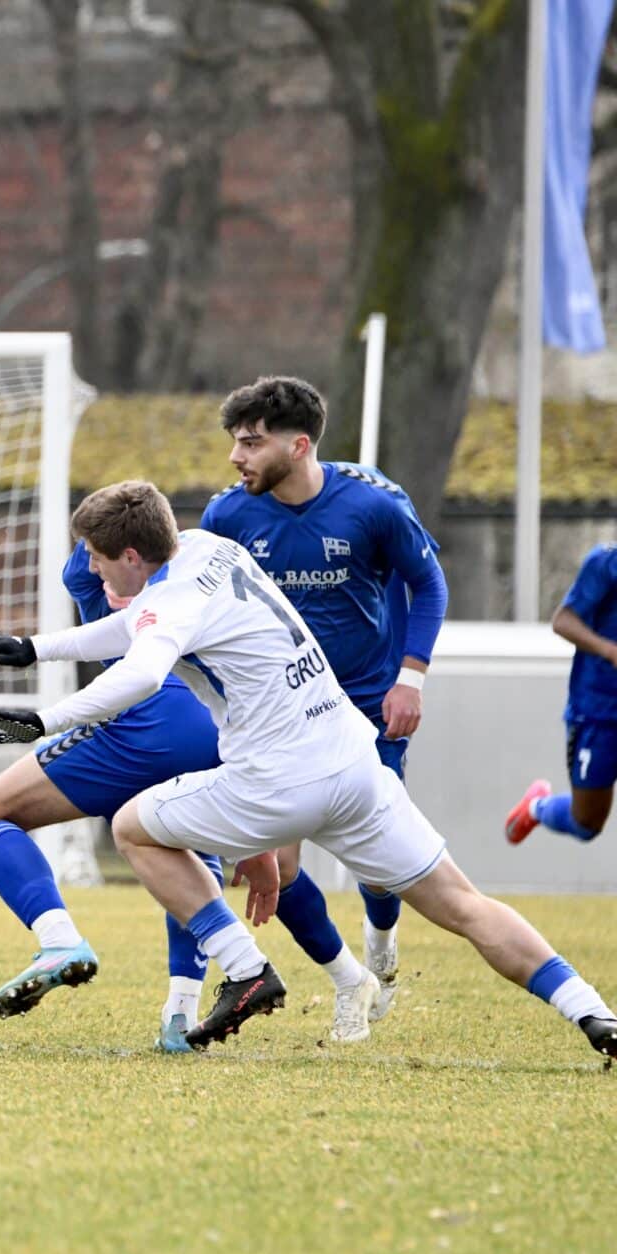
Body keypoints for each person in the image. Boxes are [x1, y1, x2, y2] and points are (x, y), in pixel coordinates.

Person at [0, 480, 617, 1059]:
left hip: (277, 781)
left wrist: (45, 722)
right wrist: (33, 648)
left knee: (135, 827)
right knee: (466, 906)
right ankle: (590, 1007)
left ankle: (246, 967)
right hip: (353, 762)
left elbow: (143, 667)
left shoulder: (163, 604)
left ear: (133, 554)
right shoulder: (211, 549)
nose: (96, 578)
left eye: (100, 563)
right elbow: (137, 620)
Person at [0, 540, 381, 1052]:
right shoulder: (194, 547)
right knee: (191, 852)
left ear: (126, 552)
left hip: (150, 719)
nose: (97, 567)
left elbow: (128, 648)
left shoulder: (101, 560)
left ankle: (58, 941)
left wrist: (44, 703)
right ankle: (193, 1013)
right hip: (220, 724)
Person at [199, 376, 447, 1021]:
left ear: (299, 444)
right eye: (235, 442)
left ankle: (382, 943)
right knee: (273, 868)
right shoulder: (227, 516)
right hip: (281, 712)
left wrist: (410, 678)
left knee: (382, 866)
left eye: (250, 442)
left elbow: (429, 584)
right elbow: (210, 607)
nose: (236, 457)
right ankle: (348, 979)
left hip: (368, 703)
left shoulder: (373, 504)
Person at [505, 542, 617, 845]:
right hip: (599, 711)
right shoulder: (606, 561)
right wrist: (609, 650)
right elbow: (563, 621)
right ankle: (537, 807)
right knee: (587, 823)